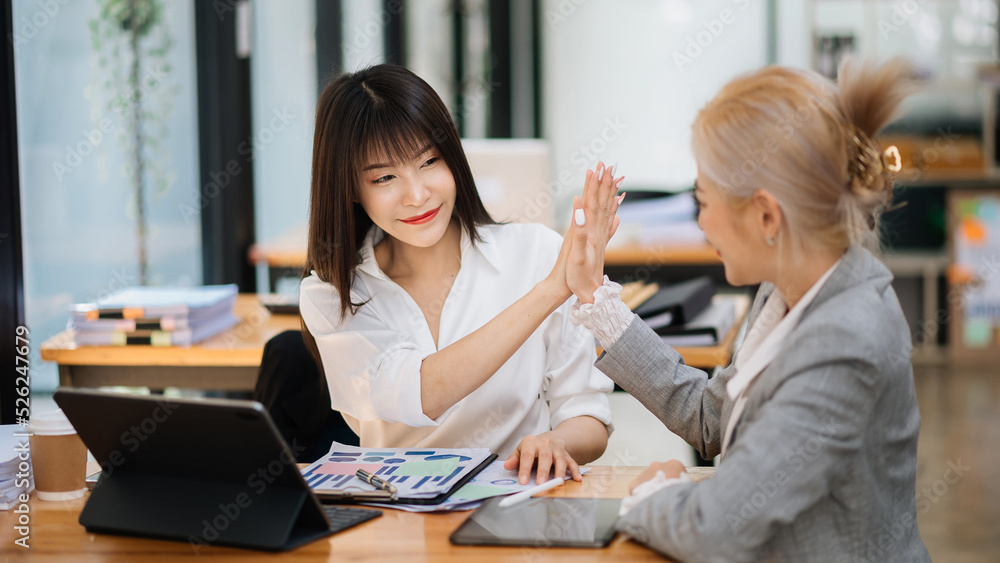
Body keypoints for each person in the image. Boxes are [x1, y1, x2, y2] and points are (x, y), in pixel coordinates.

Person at [563, 59, 930, 561]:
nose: (700, 223)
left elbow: (714, 528)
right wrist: (595, 297)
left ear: (766, 216)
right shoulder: (786, 289)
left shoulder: (844, 341)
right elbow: (710, 418)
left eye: (703, 200)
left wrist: (652, 495)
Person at [299, 64, 622, 484]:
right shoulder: (331, 294)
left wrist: (555, 442)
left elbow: (588, 415)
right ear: (349, 188)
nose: (418, 195)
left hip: (516, 505)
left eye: (429, 160)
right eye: (384, 177)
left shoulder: (537, 253)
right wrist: (549, 292)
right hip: (398, 517)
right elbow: (419, 394)